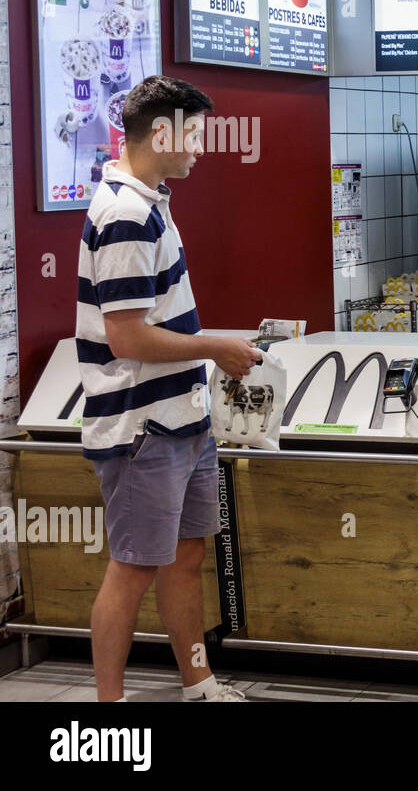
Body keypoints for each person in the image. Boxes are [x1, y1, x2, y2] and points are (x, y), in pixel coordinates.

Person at [78, 75, 262, 702]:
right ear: (162, 132)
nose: (200, 149)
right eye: (194, 135)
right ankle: (109, 709)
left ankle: (198, 683)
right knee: (131, 569)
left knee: (186, 559)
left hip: (182, 418)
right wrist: (217, 348)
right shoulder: (126, 214)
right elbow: (127, 338)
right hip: (141, 428)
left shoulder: (150, 200)